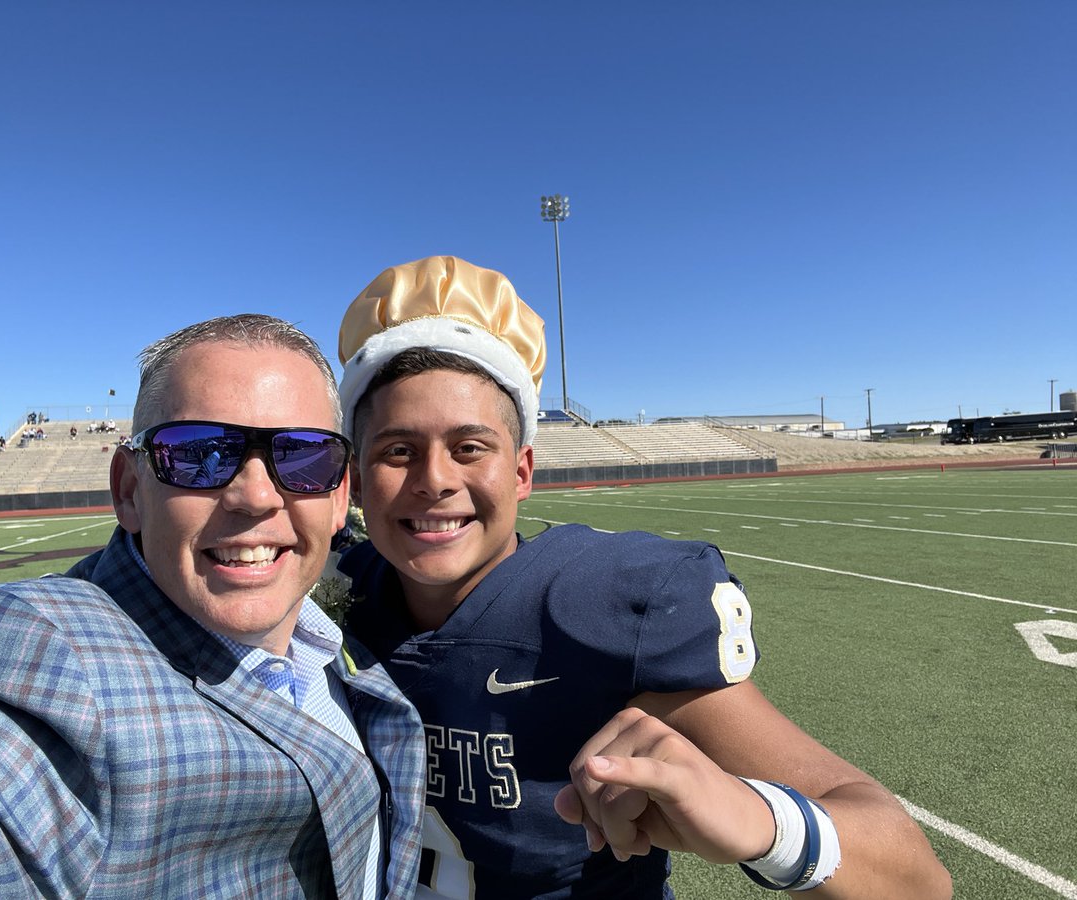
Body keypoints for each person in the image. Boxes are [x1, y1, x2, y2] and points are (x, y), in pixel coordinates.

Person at [334, 256, 951, 899]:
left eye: (469, 448)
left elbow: (919, 882)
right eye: (397, 450)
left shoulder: (601, 610)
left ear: (521, 472)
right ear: (355, 475)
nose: (434, 479)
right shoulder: (337, 592)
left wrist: (758, 822)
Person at [0, 314, 425, 898]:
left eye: (304, 457)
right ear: (131, 491)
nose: (257, 495)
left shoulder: (336, 644)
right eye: (201, 454)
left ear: (340, 496)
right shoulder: (44, 653)